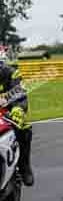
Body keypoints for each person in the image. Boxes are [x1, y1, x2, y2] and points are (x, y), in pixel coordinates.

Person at [0, 48, 34, 186]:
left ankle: (24, 165)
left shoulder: (12, 74)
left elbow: (20, 96)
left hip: (5, 114)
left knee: (24, 125)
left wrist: (18, 109)